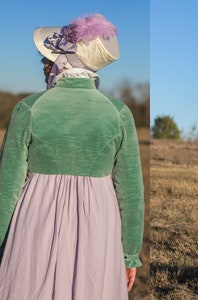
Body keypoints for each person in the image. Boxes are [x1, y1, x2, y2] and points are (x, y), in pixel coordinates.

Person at [0, 13, 144, 299]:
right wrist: (129, 255)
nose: (43, 63)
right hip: (98, 225)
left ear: (65, 62)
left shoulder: (29, 108)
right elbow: (130, 192)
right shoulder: (118, 113)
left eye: (49, 57)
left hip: (35, 222)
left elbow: (7, 187)